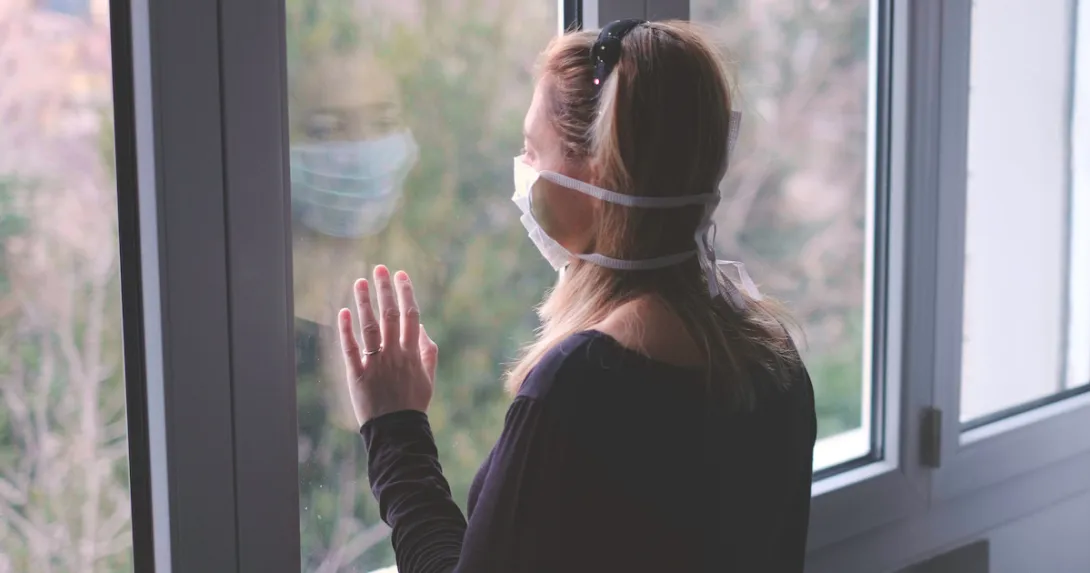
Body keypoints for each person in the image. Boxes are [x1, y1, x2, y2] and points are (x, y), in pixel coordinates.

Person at [337, 19, 817, 572]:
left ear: (599, 172)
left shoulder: (580, 388)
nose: (523, 173)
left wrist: (395, 429)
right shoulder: (773, 359)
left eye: (531, 150)